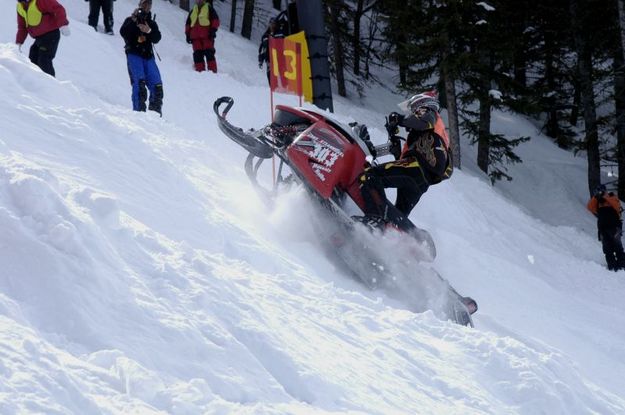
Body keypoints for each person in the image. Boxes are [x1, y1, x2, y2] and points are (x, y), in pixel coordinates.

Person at [357, 91, 453, 227]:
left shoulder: (430, 113)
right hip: (421, 182)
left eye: (414, 109)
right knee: (396, 217)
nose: (413, 112)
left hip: (415, 169)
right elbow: (400, 160)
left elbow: (423, 122)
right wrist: (395, 141)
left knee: (370, 176)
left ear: (421, 105)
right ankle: (392, 239)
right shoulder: (432, 135)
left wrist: (400, 119)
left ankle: (375, 219)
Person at [120, 0, 163, 115]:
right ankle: (139, 115)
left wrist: (148, 30)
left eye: (149, 4)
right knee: (139, 84)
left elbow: (157, 38)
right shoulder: (130, 20)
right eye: (144, 4)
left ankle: (155, 116)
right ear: (139, 5)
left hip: (148, 56)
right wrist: (134, 21)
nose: (146, 6)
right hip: (134, 54)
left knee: (157, 86)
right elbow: (123, 32)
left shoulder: (152, 23)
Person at [15, 0, 70, 78]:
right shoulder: (20, 6)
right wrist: (19, 42)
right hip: (39, 38)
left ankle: (52, 85)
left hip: (51, 35)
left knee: (44, 60)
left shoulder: (41, 1)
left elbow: (58, 8)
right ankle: (38, 83)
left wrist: (63, 24)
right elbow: (22, 27)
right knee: (33, 58)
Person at [587, 184, 625, 271]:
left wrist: (605, 196)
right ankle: (612, 266)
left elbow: (616, 205)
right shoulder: (597, 203)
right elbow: (590, 207)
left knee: (618, 247)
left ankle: (622, 266)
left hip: (614, 227)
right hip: (603, 229)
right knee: (607, 249)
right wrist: (596, 197)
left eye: (601, 191)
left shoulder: (612, 197)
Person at [184, 0, 220, 73]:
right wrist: (187, 35)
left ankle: (213, 72)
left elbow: (215, 20)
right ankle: (200, 72)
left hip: (207, 36)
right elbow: (188, 24)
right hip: (195, 37)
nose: (199, 1)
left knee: (209, 53)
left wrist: (213, 30)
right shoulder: (193, 11)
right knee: (197, 54)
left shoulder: (209, 8)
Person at [258, 17, 284, 83]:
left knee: (281, 79)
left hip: (279, 59)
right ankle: (273, 90)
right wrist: (261, 60)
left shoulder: (280, 34)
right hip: (269, 60)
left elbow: (284, 45)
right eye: (271, 23)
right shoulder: (265, 35)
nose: (272, 25)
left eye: (274, 23)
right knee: (270, 78)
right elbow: (263, 49)